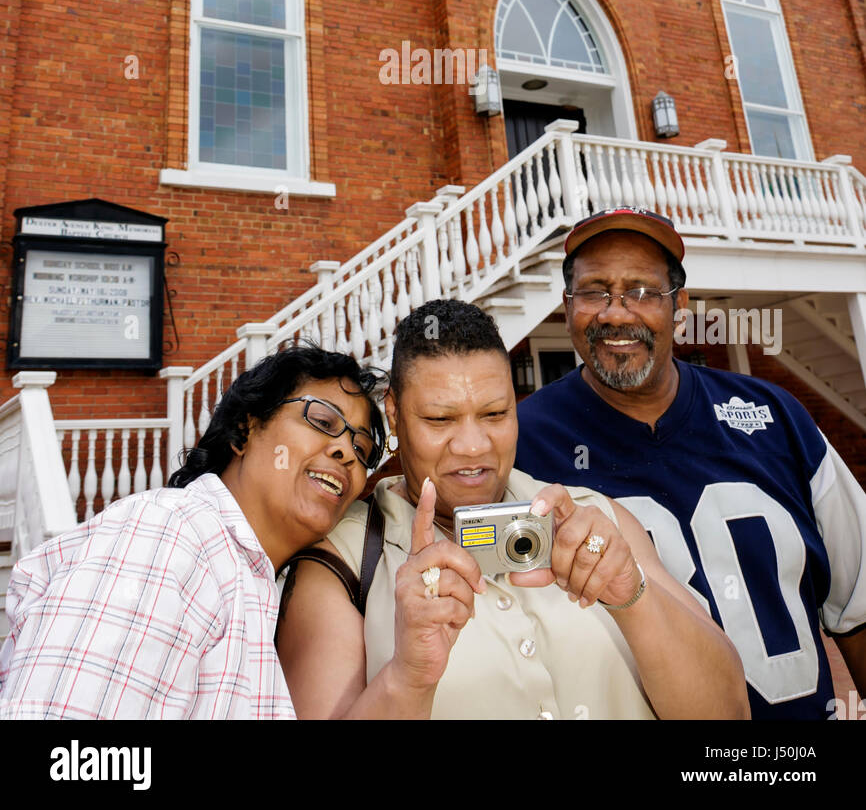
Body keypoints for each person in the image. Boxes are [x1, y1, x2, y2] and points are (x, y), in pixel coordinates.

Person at [278, 299, 749, 720]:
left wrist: (632, 598)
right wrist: (406, 677)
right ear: (395, 414)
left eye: (495, 414)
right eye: (440, 419)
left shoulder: (596, 517)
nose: (472, 446)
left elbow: (729, 713)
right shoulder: (341, 562)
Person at [515, 205, 866, 721]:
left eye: (641, 290)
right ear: (566, 307)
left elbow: (858, 607)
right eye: (594, 291)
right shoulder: (525, 443)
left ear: (679, 306)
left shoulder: (776, 416)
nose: (615, 313)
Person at [0, 344, 385, 720]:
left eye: (363, 448)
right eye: (321, 422)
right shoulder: (168, 537)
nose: (346, 452)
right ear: (244, 430)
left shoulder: (251, 580)